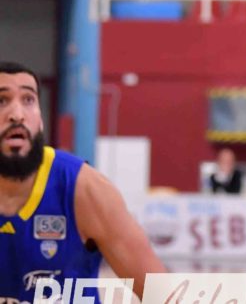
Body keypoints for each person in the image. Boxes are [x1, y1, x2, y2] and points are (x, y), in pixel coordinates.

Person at [0, 61, 166, 301]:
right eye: (2, 101)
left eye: (28, 100)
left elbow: (163, 294)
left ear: (41, 121)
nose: (17, 114)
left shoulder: (84, 188)